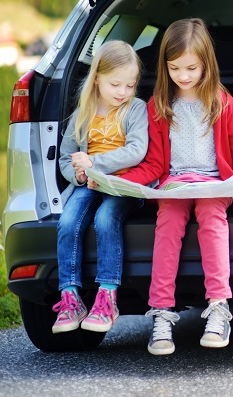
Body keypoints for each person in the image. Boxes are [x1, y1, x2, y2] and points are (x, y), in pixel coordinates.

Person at [119, 18, 233, 356]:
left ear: (206, 63)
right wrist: (121, 181)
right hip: (175, 185)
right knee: (168, 222)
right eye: (175, 67)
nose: (184, 75)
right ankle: (161, 312)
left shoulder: (223, 104)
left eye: (192, 67)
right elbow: (151, 164)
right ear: (164, 66)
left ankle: (219, 307)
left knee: (211, 216)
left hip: (214, 184)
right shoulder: (158, 106)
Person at [53, 40, 148, 335]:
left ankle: (107, 297)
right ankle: (70, 298)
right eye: (115, 85)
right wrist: (80, 176)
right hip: (89, 183)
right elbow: (67, 158)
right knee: (68, 222)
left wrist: (94, 162)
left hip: (123, 184)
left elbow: (137, 150)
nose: (122, 92)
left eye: (129, 86)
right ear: (97, 79)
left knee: (106, 219)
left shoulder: (136, 109)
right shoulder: (84, 112)